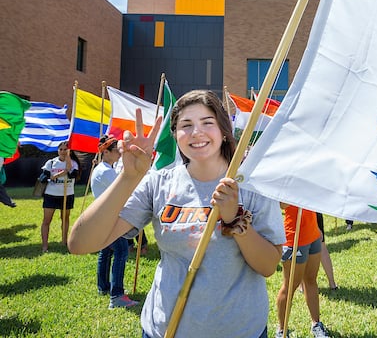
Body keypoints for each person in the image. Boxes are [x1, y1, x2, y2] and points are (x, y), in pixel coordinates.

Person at [68, 90, 285, 338]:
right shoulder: (158, 184)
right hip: (163, 329)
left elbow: (268, 266)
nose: (196, 132)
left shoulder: (252, 186)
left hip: (240, 330)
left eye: (207, 123)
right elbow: (80, 243)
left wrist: (234, 219)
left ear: (224, 131)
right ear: (175, 135)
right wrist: (129, 178)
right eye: (186, 125)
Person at [91, 135, 138, 309]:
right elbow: (123, 189)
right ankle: (117, 295)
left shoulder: (102, 169)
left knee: (106, 252)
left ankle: (103, 286)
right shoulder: (106, 171)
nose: (119, 154)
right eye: (117, 151)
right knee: (121, 251)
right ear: (107, 152)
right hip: (110, 218)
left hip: (103, 217)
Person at [276, 204, 329, 338]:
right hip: (294, 239)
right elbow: (280, 204)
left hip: (313, 235)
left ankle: (316, 324)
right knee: (290, 285)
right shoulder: (288, 182)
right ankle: (282, 330)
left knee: (311, 280)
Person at [40, 141, 80, 252]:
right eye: (60, 149)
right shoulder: (51, 162)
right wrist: (55, 175)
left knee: (65, 218)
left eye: (65, 149)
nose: (62, 151)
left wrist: (67, 166)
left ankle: (64, 241)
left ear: (69, 151)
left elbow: (72, 175)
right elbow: (45, 176)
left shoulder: (73, 164)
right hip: (51, 195)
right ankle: (45, 245)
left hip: (67, 195)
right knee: (46, 220)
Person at [316, 212, 338, 290]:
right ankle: (332, 283)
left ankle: (303, 286)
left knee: (302, 248)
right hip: (312, 208)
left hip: (305, 210)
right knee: (321, 246)